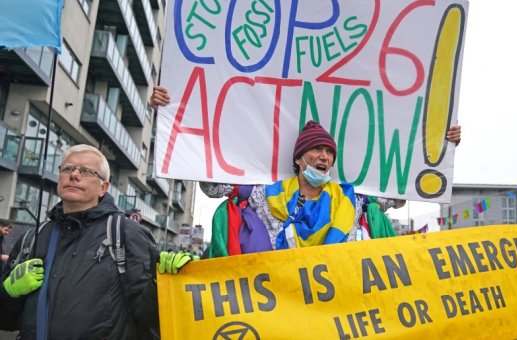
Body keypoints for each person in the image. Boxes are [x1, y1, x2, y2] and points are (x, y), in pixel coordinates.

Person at [150, 86, 462, 251]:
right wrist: (169, 114)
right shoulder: (264, 195)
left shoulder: (351, 200)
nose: (324, 157)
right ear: (299, 158)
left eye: (329, 152)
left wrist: (439, 145)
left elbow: (398, 194)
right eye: (316, 149)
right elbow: (212, 186)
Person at [0, 144, 160, 339]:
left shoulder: (125, 234)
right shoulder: (32, 238)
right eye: (67, 168)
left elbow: (149, 320)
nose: (74, 175)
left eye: (86, 171)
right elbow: (6, 321)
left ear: (103, 187)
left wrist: (158, 283)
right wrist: (8, 292)